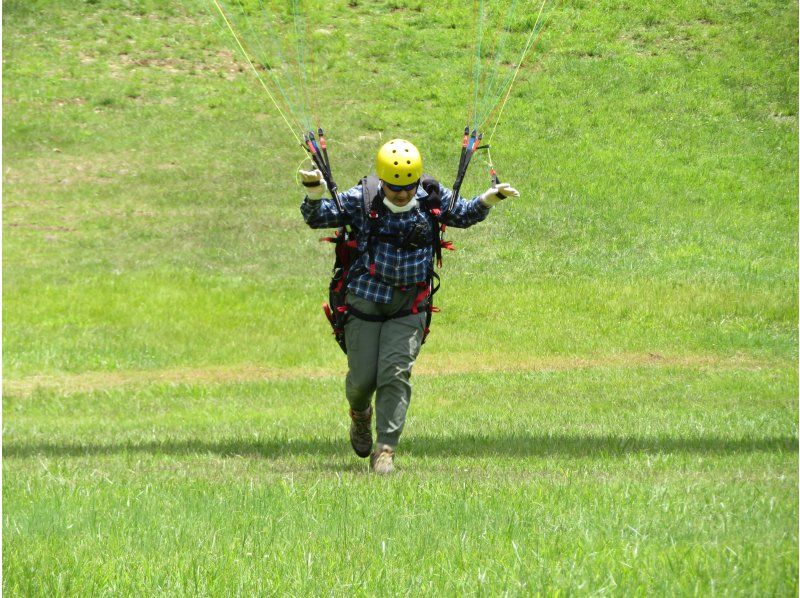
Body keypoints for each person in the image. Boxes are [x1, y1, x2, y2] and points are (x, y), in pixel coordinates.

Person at [300, 139, 519, 474]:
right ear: (383, 181)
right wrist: (315, 189)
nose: (401, 195)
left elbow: (462, 214)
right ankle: (360, 415)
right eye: (394, 188)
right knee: (361, 382)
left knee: (395, 373)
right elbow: (318, 218)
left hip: (409, 305)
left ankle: (385, 449)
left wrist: (491, 197)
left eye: (407, 188)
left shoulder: (430, 196)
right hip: (364, 300)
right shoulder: (364, 198)